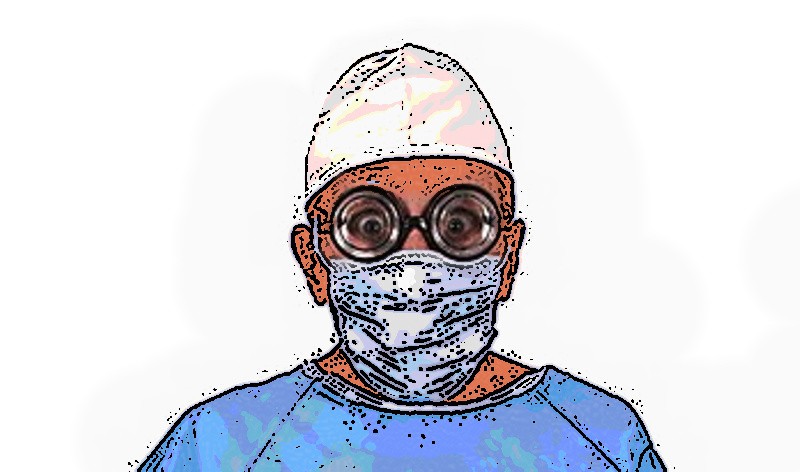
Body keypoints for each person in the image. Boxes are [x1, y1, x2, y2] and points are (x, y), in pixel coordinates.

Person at [140, 43, 665, 472]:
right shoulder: (222, 448)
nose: (415, 267)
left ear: (509, 256)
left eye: (457, 225)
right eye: (370, 226)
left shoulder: (599, 439)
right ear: (313, 259)